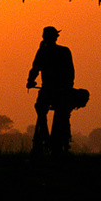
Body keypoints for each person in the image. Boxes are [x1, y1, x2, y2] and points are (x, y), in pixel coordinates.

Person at [27, 26, 75, 156]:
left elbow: (35, 68)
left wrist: (30, 82)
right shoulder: (64, 51)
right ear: (56, 37)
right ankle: (55, 142)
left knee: (40, 109)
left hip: (48, 89)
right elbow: (70, 72)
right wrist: (68, 87)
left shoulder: (42, 51)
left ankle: (45, 136)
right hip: (62, 90)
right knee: (60, 113)